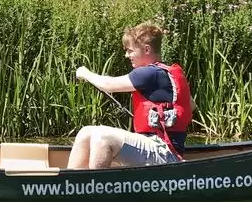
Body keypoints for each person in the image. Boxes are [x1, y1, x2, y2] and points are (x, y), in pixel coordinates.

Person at [66, 22, 194, 170]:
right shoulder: (166, 74)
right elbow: (191, 105)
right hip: (154, 147)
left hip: (164, 153)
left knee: (103, 137)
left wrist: (84, 73)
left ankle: (94, 188)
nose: (127, 55)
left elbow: (108, 85)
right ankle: (71, 184)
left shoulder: (149, 73)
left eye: (130, 50)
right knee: (86, 132)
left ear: (146, 49)